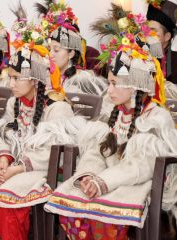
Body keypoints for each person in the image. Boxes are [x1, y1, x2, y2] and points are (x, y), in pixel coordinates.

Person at [44, 18, 177, 239]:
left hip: (140, 184)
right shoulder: (115, 111)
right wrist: (88, 175)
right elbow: (98, 150)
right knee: (71, 205)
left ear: (136, 85)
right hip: (110, 180)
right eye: (110, 82)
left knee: (102, 216)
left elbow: (141, 166)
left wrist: (104, 182)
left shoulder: (156, 117)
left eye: (115, 83)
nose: (110, 89)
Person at [0, 7, 84, 239]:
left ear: (35, 78)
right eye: (11, 77)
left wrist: (17, 167)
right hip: (16, 167)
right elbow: (3, 135)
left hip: (45, 173)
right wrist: (4, 157)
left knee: (7, 205)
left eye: (17, 78)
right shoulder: (14, 104)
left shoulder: (57, 107)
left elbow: (52, 153)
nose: (11, 84)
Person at [36, 0, 108, 96]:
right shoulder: (45, 77)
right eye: (50, 49)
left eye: (56, 50)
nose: (51, 54)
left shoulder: (82, 79)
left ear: (71, 54)